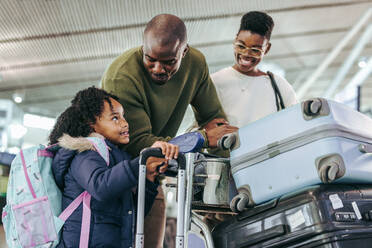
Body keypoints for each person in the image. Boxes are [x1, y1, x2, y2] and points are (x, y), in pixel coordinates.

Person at [102, 14, 238, 247]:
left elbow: (215, 122)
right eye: (150, 59)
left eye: (168, 62)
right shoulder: (122, 76)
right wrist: (202, 138)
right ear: (142, 48)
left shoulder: (196, 64)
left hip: (153, 174)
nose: (158, 68)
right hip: (118, 172)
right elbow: (140, 146)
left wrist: (227, 184)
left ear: (184, 53)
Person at [49, 86, 178, 248]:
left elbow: (132, 213)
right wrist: (141, 163)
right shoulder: (84, 153)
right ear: (92, 124)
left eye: (123, 117)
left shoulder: (115, 158)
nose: (125, 124)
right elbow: (100, 186)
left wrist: (149, 178)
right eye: (115, 118)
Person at [212, 11, 298, 128]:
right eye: (241, 46)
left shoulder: (279, 86)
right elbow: (202, 128)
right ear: (235, 40)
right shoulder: (215, 81)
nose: (246, 54)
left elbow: (295, 123)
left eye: (255, 50)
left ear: (267, 49)